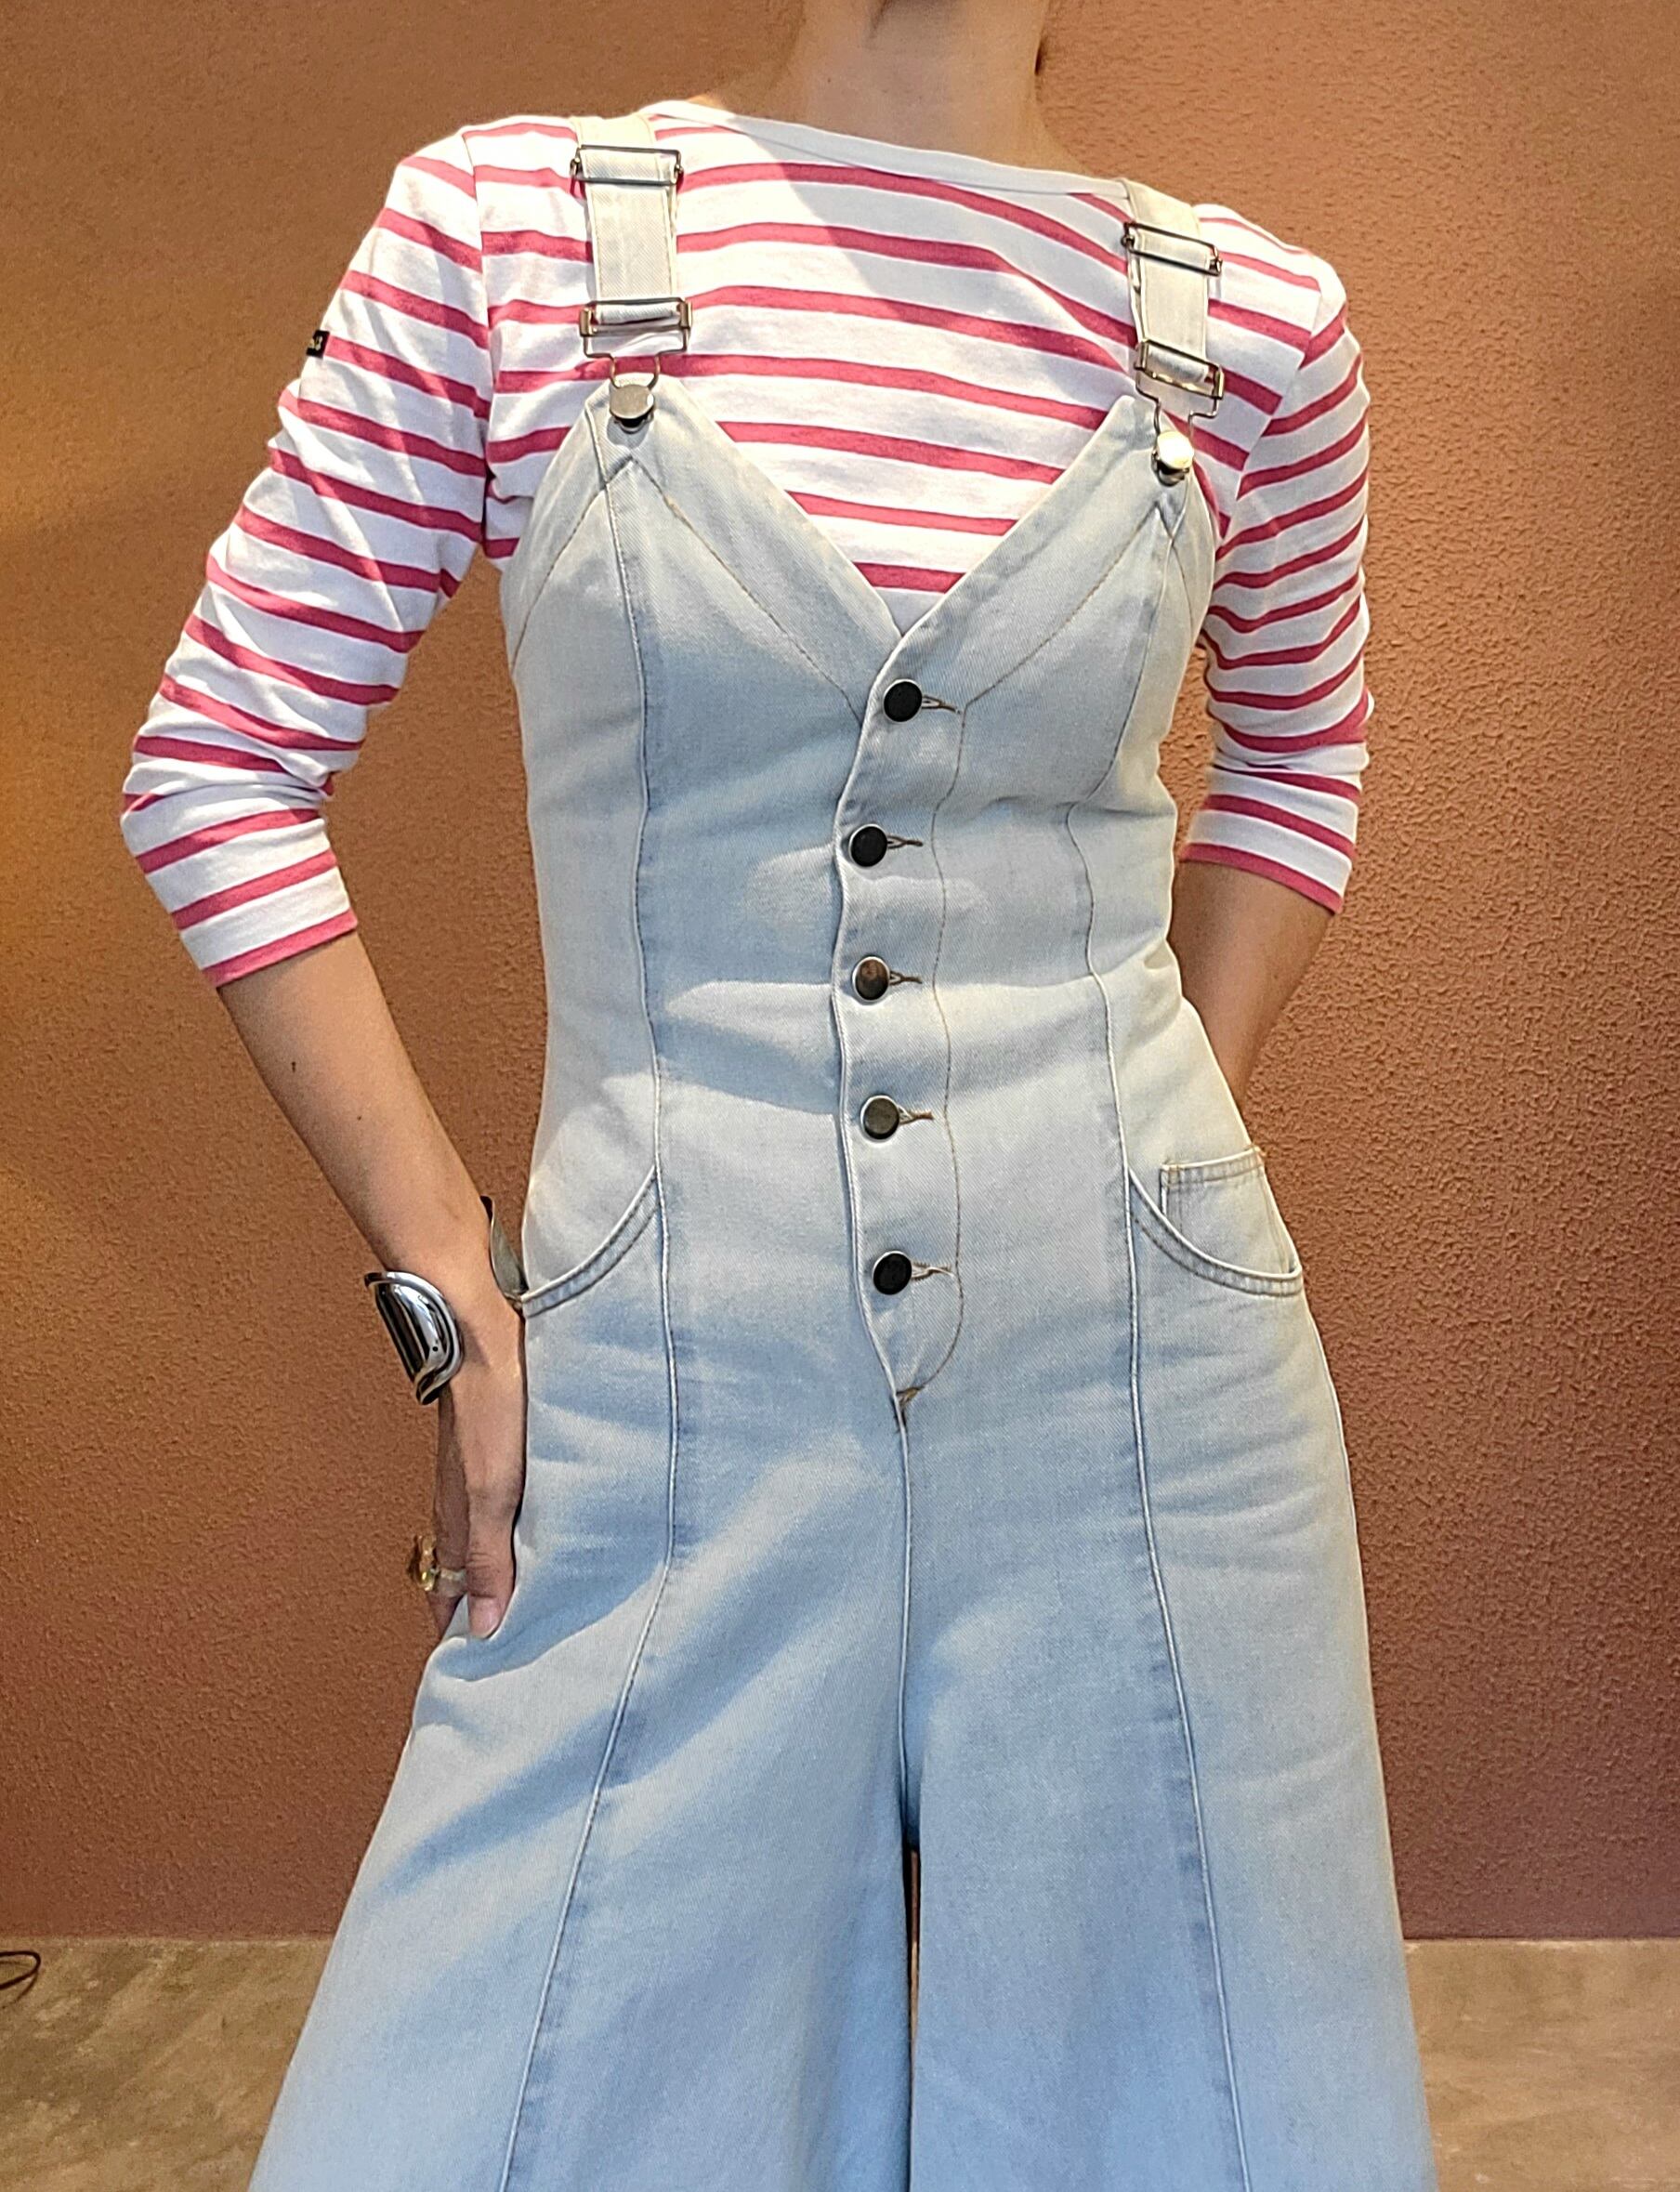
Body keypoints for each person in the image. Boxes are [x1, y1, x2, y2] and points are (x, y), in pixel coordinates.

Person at [119, 7, 1441, 2187]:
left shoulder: (1260, 326)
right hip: (665, 1388)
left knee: (1196, 2112)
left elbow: (1299, 762)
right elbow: (218, 764)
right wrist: (451, 1281)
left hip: (1151, 1407)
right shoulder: (511, 230)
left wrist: (1150, 1152)